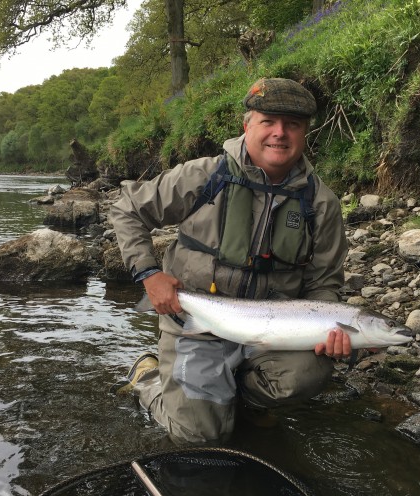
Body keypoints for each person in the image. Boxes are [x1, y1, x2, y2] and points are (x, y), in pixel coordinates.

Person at [110, 77, 350, 444]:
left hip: (274, 331)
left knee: (310, 373)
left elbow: (324, 284)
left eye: (292, 125)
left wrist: (330, 329)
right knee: (199, 437)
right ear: (247, 125)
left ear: (305, 133)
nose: (279, 134)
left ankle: (238, 396)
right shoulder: (206, 175)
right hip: (199, 321)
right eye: (268, 121)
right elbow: (127, 207)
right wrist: (149, 273)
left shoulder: (321, 204)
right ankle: (149, 380)